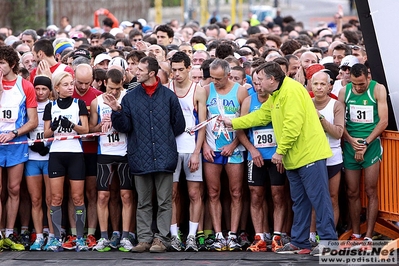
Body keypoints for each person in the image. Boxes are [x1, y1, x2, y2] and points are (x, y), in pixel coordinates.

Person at [219, 61, 337, 255]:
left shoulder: (291, 91)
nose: (256, 83)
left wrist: (280, 151)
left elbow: (293, 124)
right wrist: (234, 122)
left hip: (309, 155)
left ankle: (329, 244)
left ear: (271, 80)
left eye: (259, 79)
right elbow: (262, 116)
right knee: (300, 201)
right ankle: (300, 241)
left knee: (319, 200)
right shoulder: (276, 94)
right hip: (295, 158)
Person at [103, 56, 185, 253]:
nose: (135, 71)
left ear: (151, 73)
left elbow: (179, 125)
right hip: (140, 155)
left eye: (140, 69)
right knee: (144, 201)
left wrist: (162, 138)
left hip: (165, 155)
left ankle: (162, 239)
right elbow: (125, 126)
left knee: (165, 201)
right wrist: (116, 111)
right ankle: (145, 239)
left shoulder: (169, 96)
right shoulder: (130, 97)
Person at [338, 63, 388, 248]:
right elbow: (339, 121)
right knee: (351, 192)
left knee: (370, 190)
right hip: (351, 144)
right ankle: (356, 232)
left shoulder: (378, 89)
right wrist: (351, 141)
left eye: (361, 84)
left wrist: (365, 143)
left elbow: (383, 121)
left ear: (368, 77)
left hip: (371, 144)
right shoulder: (345, 92)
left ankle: (368, 235)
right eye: (354, 84)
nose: (358, 88)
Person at [238, 70, 287, 253]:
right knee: (256, 195)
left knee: (278, 196)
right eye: (255, 82)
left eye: (261, 81)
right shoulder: (249, 101)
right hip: (255, 155)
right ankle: (259, 236)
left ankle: (277, 236)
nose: (259, 86)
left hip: (276, 156)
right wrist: (252, 149)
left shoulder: (278, 100)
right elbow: (240, 128)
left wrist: (281, 153)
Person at [202, 58, 248, 251]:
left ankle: (234, 234)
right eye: (212, 77)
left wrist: (234, 143)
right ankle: (219, 234)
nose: (215, 82)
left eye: (219, 78)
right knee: (213, 193)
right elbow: (201, 122)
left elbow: (245, 123)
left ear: (228, 75)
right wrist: (204, 145)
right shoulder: (205, 90)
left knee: (236, 192)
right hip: (212, 147)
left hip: (234, 148)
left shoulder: (240, 91)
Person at [43, 72, 89, 252]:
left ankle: (79, 237)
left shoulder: (79, 104)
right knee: (56, 198)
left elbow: (84, 130)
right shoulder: (50, 106)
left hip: (75, 153)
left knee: (77, 197)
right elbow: (46, 134)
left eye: (71, 84)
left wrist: (71, 125)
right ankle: (55, 238)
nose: (70, 87)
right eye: (66, 84)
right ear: (57, 88)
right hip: (56, 154)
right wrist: (54, 127)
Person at [90, 69, 134, 252]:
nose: (114, 92)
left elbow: (133, 124)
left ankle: (125, 236)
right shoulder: (96, 101)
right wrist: (102, 123)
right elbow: (91, 128)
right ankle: (105, 237)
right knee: (103, 195)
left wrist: (118, 117)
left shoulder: (128, 98)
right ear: (104, 83)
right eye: (111, 88)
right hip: (105, 151)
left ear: (122, 84)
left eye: (117, 88)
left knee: (126, 195)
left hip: (124, 151)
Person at [0, 45, 38, 251]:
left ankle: (9, 233)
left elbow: (33, 121)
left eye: (2, 63)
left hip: (15, 143)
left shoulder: (25, 86)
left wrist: (14, 133)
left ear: (12, 64)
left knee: (14, 189)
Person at [168, 52, 207, 252]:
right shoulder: (167, 89)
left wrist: (196, 152)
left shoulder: (198, 91)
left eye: (180, 70)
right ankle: (175, 236)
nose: (177, 74)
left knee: (194, 193)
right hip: (172, 150)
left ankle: (192, 235)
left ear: (189, 68)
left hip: (191, 148)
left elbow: (201, 124)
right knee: (172, 193)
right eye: (173, 70)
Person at [69, 63, 102, 250]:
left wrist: (91, 129)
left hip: (92, 152)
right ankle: (74, 233)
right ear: (73, 78)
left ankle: (90, 233)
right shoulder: (65, 95)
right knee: (73, 195)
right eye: (79, 83)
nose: (82, 87)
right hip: (71, 151)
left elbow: (95, 128)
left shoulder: (98, 97)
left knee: (91, 193)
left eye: (87, 83)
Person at [309, 71, 344, 246]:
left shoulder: (335, 105)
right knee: (314, 198)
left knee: (331, 197)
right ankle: (312, 234)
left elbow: (338, 133)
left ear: (330, 86)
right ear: (311, 85)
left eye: (323, 84)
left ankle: (329, 235)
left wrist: (320, 118)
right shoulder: (306, 103)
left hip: (332, 156)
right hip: (313, 156)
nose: (319, 87)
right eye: (316, 84)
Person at [26, 75, 54, 251]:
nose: (40, 92)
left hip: (49, 157)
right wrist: (32, 144)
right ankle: (38, 235)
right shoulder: (29, 104)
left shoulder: (53, 105)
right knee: (35, 200)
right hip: (31, 158)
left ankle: (52, 235)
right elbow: (24, 125)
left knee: (51, 199)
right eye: (37, 89)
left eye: (44, 89)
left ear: (50, 91)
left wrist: (47, 145)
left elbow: (57, 128)